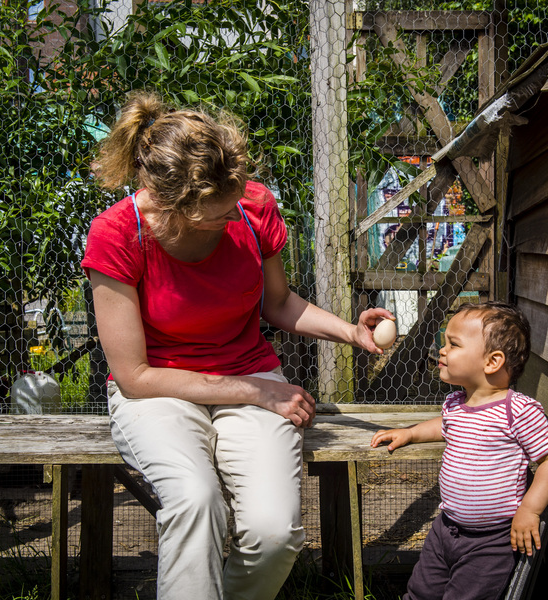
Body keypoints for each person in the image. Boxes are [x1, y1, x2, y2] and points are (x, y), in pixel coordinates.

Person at [81, 90, 392, 600]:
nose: (233, 221)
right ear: (170, 206)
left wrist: (351, 332)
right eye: (219, 216)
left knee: (274, 533)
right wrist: (256, 392)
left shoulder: (251, 204)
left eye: (234, 208)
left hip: (249, 374)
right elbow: (134, 376)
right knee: (194, 499)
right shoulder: (117, 234)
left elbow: (280, 304)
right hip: (159, 389)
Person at [370, 301, 548, 600]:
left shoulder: (518, 410)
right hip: (445, 530)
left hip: (492, 541)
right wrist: (411, 433)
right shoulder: (456, 404)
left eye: (454, 344)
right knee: (419, 592)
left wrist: (530, 509)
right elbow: (444, 426)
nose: (443, 349)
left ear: (492, 361)